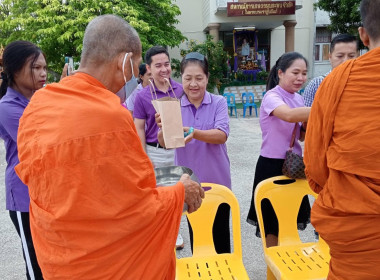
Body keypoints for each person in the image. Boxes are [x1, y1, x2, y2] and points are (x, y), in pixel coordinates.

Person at [14, 15, 204, 280]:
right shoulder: (112, 116)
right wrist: (180, 193)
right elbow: (138, 208)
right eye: (138, 67)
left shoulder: (38, 106)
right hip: (108, 269)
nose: (137, 78)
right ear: (124, 62)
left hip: (61, 260)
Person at [304, 0, 380, 279]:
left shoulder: (338, 82)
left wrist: (348, 193)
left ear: (363, 35)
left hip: (357, 240)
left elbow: (315, 166)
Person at [157, 52, 232, 253]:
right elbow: (165, 142)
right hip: (191, 183)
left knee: (221, 239)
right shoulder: (173, 106)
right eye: (188, 78)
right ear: (180, 78)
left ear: (207, 78)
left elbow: (221, 135)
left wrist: (192, 132)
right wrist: (163, 129)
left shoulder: (218, 102)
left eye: (199, 78)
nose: (193, 84)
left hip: (218, 181)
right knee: (198, 240)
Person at [246, 52, 311, 247]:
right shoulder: (271, 96)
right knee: (271, 221)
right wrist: (323, 106)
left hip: (293, 164)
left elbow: (300, 135)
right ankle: (273, 270)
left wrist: (307, 124)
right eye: (296, 72)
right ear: (281, 73)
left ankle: (287, 262)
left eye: (304, 73)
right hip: (271, 164)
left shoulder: (298, 99)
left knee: (290, 216)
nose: (301, 78)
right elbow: (289, 116)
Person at [0, 40, 45, 280]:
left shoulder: (38, 99)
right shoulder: (8, 107)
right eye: (36, 67)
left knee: (50, 260)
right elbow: (43, 138)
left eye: (44, 67)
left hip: (44, 193)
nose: (43, 73)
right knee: (35, 265)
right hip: (24, 196)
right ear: (16, 71)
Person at [133, 46, 182, 168]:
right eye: (158, 65)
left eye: (167, 64)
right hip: (155, 153)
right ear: (149, 68)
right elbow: (139, 128)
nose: (164, 69)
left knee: (183, 186)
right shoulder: (142, 96)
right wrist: (144, 157)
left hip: (180, 150)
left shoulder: (181, 90)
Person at [304, 34, 358, 107]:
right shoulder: (317, 84)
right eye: (340, 56)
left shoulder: (363, 82)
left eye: (351, 56)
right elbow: (306, 116)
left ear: (358, 56)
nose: (346, 61)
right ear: (330, 57)